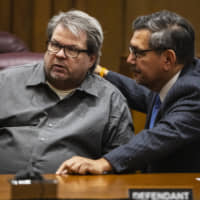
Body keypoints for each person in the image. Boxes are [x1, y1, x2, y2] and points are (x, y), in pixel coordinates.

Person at [56, 10, 200, 175]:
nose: (130, 59)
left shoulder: (194, 91)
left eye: (138, 53)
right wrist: (101, 72)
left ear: (168, 59)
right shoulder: (171, 78)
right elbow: (144, 96)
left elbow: (159, 137)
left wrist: (104, 163)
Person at [0, 10, 134, 174]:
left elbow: (122, 164)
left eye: (72, 50)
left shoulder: (111, 101)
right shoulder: (5, 82)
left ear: (91, 59)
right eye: (55, 45)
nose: (60, 55)